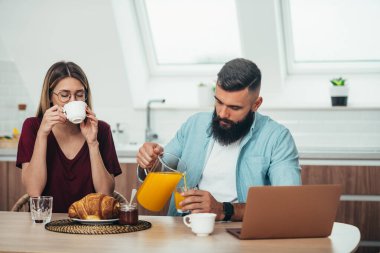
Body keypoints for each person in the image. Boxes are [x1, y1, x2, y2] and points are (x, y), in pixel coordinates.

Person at [137, 58, 301, 221]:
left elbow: (288, 203)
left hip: (240, 233)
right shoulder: (195, 124)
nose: (222, 114)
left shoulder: (277, 138)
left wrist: (224, 210)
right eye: (219, 102)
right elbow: (162, 167)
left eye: (234, 107)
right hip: (185, 227)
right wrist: (149, 161)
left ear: (256, 104)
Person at [16, 61, 121, 213]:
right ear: (50, 96)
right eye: (65, 95)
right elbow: (34, 191)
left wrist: (92, 143)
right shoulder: (32, 127)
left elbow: (105, 194)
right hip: (46, 224)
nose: (73, 101)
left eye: (79, 95)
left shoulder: (101, 130)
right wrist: (42, 134)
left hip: (90, 226)